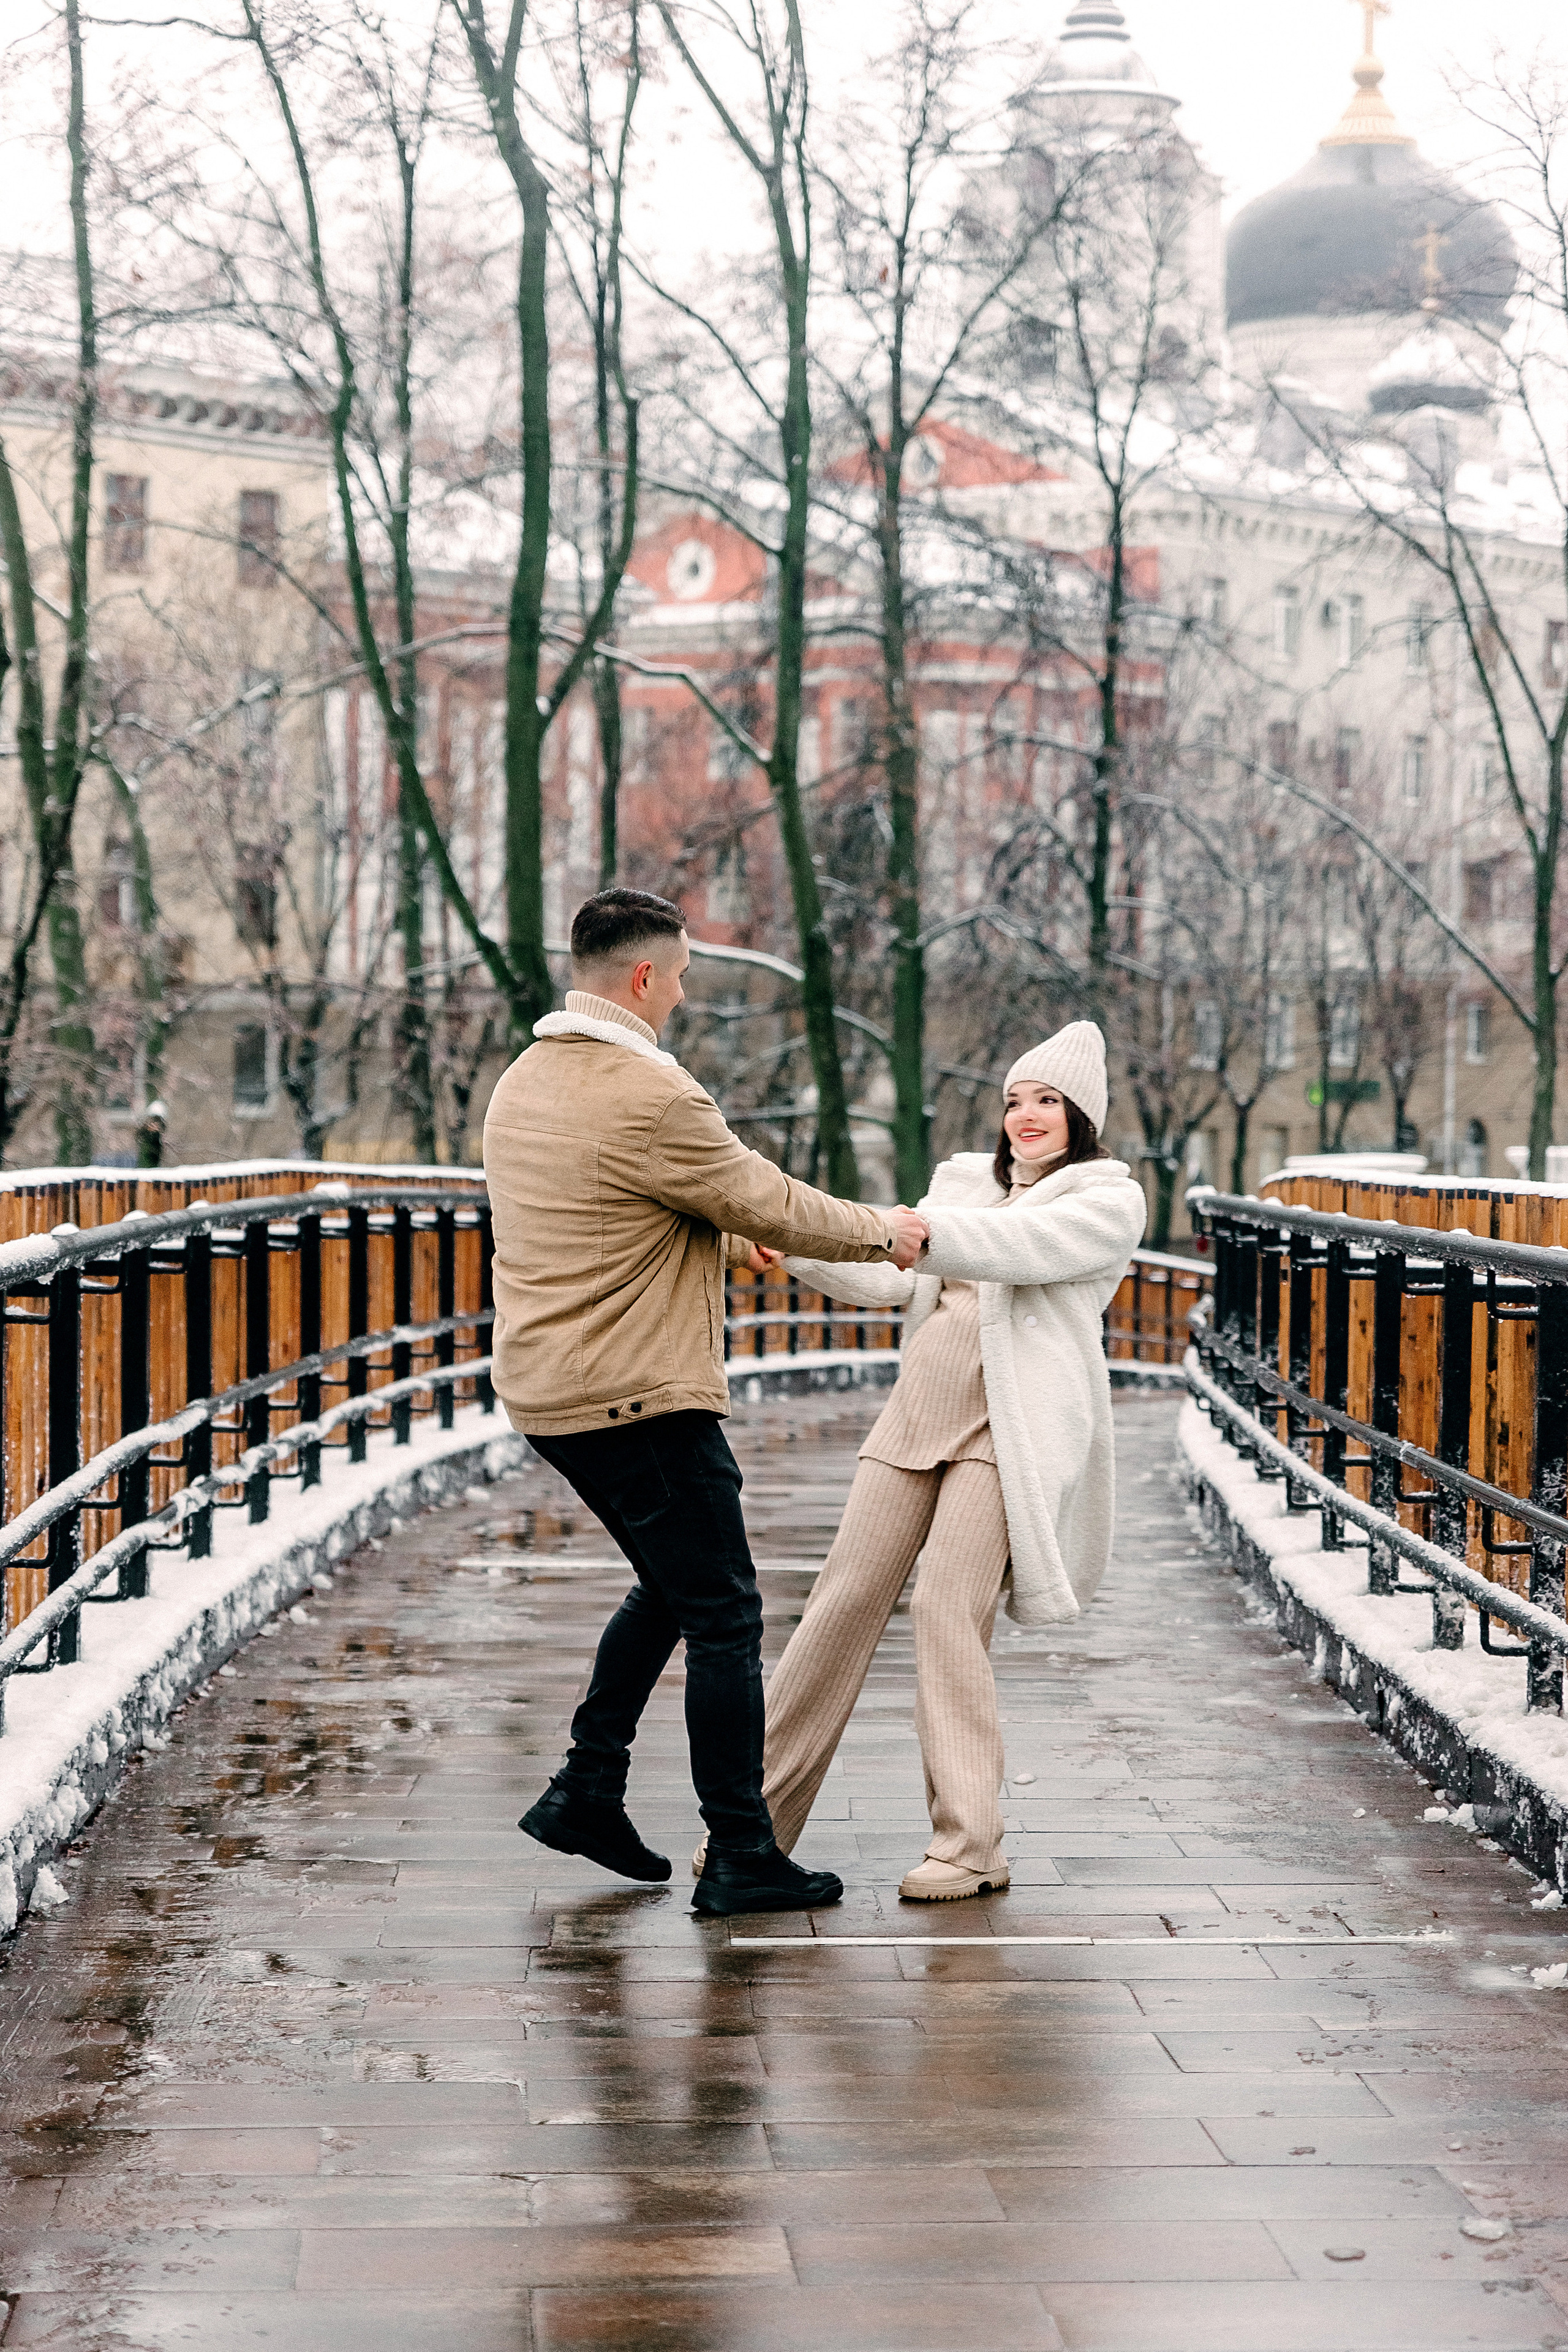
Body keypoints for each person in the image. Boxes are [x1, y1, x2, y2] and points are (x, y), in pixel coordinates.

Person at [482, 888, 930, 1919]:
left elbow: (603, 1209)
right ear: (643, 978)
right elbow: (764, 1192)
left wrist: (724, 1237)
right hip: (635, 1392)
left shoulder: (527, 1080)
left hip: (550, 1388)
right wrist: (883, 1231)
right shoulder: (652, 1096)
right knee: (725, 1613)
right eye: (680, 978)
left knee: (673, 1586)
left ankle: (588, 1788)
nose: (683, 996)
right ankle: (741, 1852)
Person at [711, 1020, 1147, 1901]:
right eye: (1016, 1100)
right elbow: (889, 1276)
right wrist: (795, 1244)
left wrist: (898, 1230)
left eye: (1048, 1102)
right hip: (920, 1410)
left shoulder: (1105, 1199)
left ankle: (970, 1843)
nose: (1027, 1116)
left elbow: (1009, 1251)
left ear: (1082, 1118)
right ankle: (749, 1833)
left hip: (1010, 1428)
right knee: (840, 1603)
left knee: (948, 1608)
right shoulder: (959, 1186)